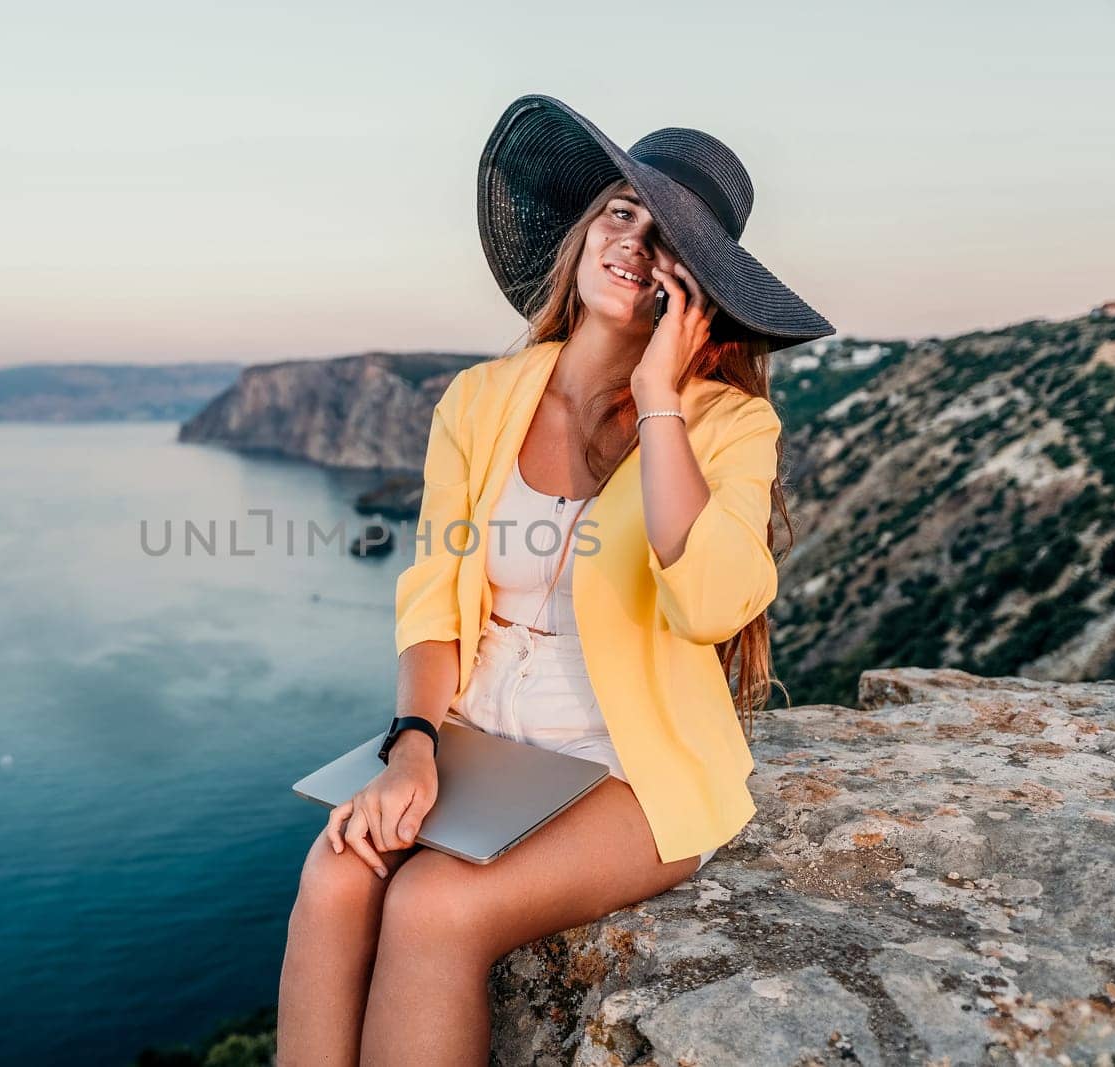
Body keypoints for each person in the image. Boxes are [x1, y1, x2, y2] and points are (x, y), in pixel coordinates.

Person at [278, 94, 837, 1066]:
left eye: (670, 238)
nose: (633, 240)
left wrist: (660, 398)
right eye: (621, 209)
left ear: (693, 285)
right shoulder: (481, 399)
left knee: (434, 902)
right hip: (481, 743)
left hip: (630, 770)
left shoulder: (725, 427)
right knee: (335, 871)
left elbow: (709, 601)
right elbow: (433, 589)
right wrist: (412, 742)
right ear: (584, 231)